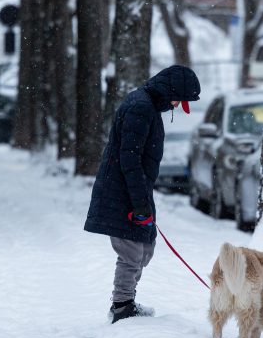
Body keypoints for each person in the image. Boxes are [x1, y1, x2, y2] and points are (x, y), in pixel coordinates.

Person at [84, 65, 200, 323]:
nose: (175, 106)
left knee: (145, 246)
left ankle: (127, 301)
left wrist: (143, 199)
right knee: (131, 251)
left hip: (136, 189)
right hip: (123, 190)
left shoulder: (146, 105)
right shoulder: (140, 107)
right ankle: (122, 306)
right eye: (177, 100)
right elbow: (130, 159)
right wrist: (139, 204)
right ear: (170, 91)